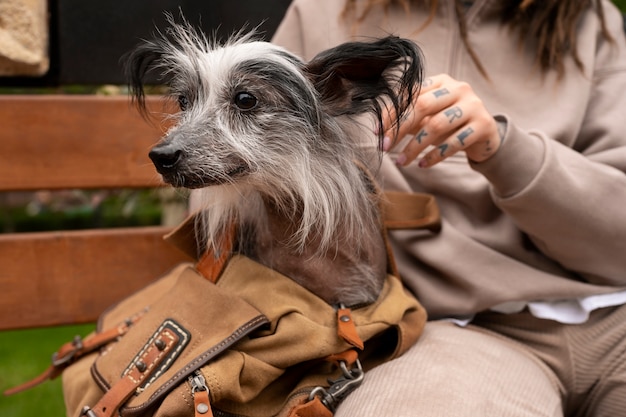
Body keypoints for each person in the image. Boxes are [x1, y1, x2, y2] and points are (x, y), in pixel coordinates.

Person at [271, 1, 626, 416]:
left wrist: (502, 149)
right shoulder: (323, 14)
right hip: (444, 331)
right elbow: (231, 196)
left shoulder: (588, 18)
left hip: (610, 317)